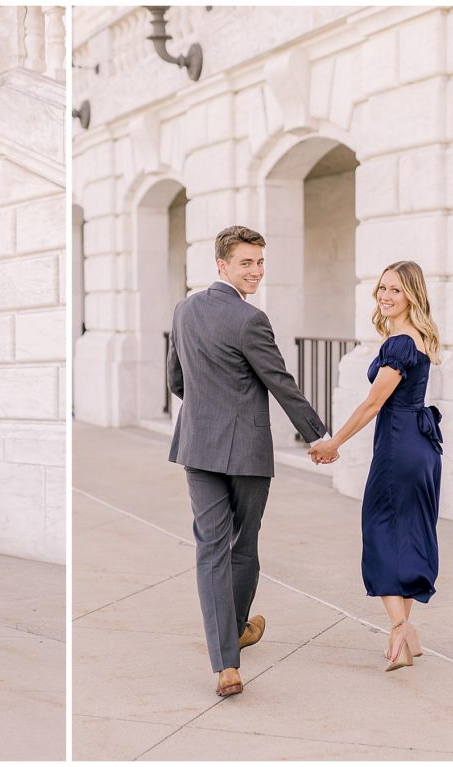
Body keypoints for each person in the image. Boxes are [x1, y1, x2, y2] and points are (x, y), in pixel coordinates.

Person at [167, 225, 332, 697]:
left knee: (211, 549)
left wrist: (206, 404)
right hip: (245, 450)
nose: (256, 271)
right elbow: (281, 382)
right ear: (221, 264)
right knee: (242, 546)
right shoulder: (249, 319)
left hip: (197, 445)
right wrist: (318, 435)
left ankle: (227, 660)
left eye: (260, 262)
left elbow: (177, 380)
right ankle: (234, 633)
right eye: (246, 263)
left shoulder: (184, 311)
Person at [309, 261, 442, 672]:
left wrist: (334, 442)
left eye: (396, 290)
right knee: (407, 533)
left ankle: (399, 628)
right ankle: (409, 633)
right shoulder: (419, 337)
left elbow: (373, 403)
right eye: (382, 288)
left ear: (412, 296)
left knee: (380, 531)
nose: (385, 296)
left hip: (398, 449)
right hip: (420, 447)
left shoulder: (400, 344)